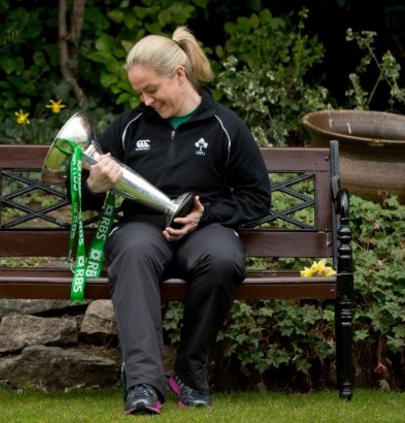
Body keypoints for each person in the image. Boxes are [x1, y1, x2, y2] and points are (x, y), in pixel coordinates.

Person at [80, 26, 271, 415]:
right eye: (139, 93)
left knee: (222, 260)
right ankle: (143, 385)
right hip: (141, 228)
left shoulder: (226, 127)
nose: (146, 100)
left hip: (205, 229)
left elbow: (257, 198)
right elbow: (83, 191)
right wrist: (95, 184)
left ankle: (189, 373)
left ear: (179, 76)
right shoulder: (130, 126)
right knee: (131, 254)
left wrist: (207, 214)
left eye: (152, 90)